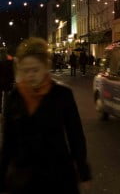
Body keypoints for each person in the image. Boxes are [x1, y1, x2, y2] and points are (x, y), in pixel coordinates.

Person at [0, 37, 91, 194]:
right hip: (24, 179)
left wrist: (82, 170)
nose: (30, 75)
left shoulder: (62, 95)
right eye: (25, 70)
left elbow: (75, 135)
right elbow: (8, 141)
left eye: (35, 70)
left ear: (45, 67)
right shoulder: (15, 98)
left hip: (58, 177)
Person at [0, 49, 15, 113]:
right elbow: (12, 72)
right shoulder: (10, 62)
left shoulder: (7, 63)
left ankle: (2, 111)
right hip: (7, 83)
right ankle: (6, 111)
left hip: (3, 82)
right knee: (7, 98)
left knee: (4, 98)